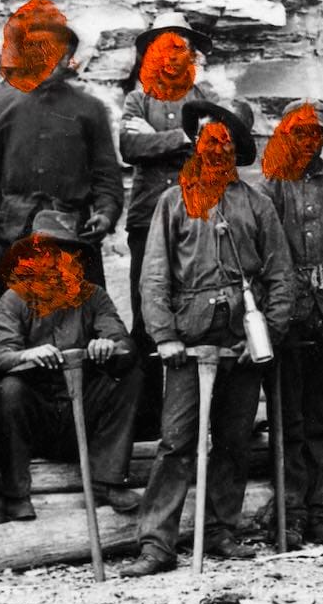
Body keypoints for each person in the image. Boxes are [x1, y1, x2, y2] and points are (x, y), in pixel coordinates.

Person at [121, 101, 294, 577]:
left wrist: (266, 334)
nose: (212, 147)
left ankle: (220, 530)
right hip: (188, 343)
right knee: (176, 442)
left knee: (234, 439)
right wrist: (165, 336)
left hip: (242, 341)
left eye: (222, 141)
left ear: (234, 149)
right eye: (204, 139)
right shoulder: (173, 202)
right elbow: (154, 277)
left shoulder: (256, 203)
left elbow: (280, 276)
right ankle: (156, 543)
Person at [0, 210, 143, 521]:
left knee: (130, 376)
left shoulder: (93, 297)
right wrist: (26, 356)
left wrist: (109, 346)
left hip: (83, 415)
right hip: (39, 417)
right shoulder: (14, 300)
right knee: (10, 390)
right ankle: (17, 494)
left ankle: (108, 479)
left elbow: (125, 344)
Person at [257, 99, 323, 547]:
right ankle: (291, 513)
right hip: (287, 320)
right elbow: (260, 260)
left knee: (322, 422)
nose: (306, 142)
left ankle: (318, 512)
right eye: (298, 134)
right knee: (289, 421)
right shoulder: (268, 191)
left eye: (313, 135)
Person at [119, 11, 219, 442]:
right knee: (148, 318)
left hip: (196, 217)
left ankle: (202, 421)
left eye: (180, 45)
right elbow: (129, 146)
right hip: (146, 218)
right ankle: (145, 425)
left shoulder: (205, 96)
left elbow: (213, 149)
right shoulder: (137, 101)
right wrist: (181, 139)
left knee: (200, 311)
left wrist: (158, 142)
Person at [0, 0, 122, 286]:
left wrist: (105, 214)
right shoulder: (4, 106)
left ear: (68, 58)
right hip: (17, 232)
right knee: (19, 315)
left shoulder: (90, 108)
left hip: (74, 230)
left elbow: (107, 175)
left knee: (78, 311)